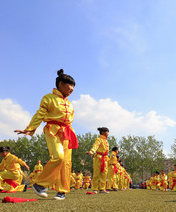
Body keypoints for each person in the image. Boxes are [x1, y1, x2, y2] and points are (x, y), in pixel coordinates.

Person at [15, 69, 78, 200]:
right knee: (58, 156)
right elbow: (40, 114)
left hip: (67, 132)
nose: (72, 89)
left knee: (66, 162)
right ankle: (39, 184)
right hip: (53, 130)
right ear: (61, 84)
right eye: (70, 85)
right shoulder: (49, 98)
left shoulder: (70, 104)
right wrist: (30, 128)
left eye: (73, 86)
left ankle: (62, 191)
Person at [85, 127, 110, 193]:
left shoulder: (106, 141)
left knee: (104, 174)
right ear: (103, 132)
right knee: (97, 173)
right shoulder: (99, 139)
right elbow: (95, 146)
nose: (108, 133)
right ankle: (95, 188)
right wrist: (91, 151)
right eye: (107, 132)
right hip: (98, 158)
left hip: (105, 158)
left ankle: (102, 188)